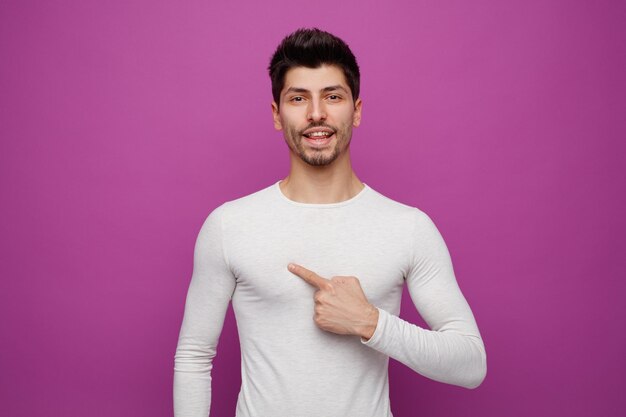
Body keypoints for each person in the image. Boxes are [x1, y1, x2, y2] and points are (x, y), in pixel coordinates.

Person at [173, 28, 486, 417]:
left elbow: (471, 364)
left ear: (356, 110)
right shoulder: (228, 225)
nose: (316, 113)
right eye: (298, 98)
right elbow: (194, 355)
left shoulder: (408, 228)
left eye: (332, 96)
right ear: (276, 113)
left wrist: (371, 323)